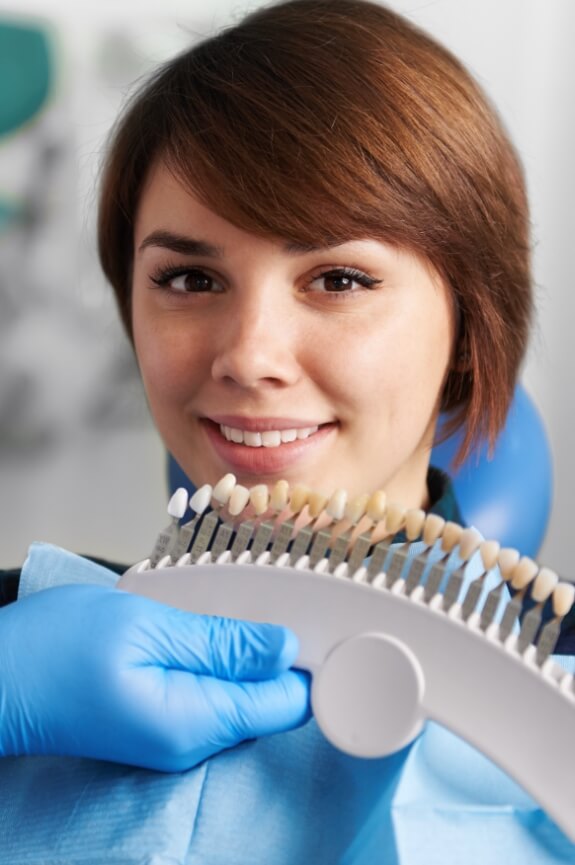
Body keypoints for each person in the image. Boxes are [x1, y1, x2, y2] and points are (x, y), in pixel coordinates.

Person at [0, 0, 573, 861]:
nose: (248, 355)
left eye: (338, 278)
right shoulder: (21, 646)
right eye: (189, 279)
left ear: (469, 322)